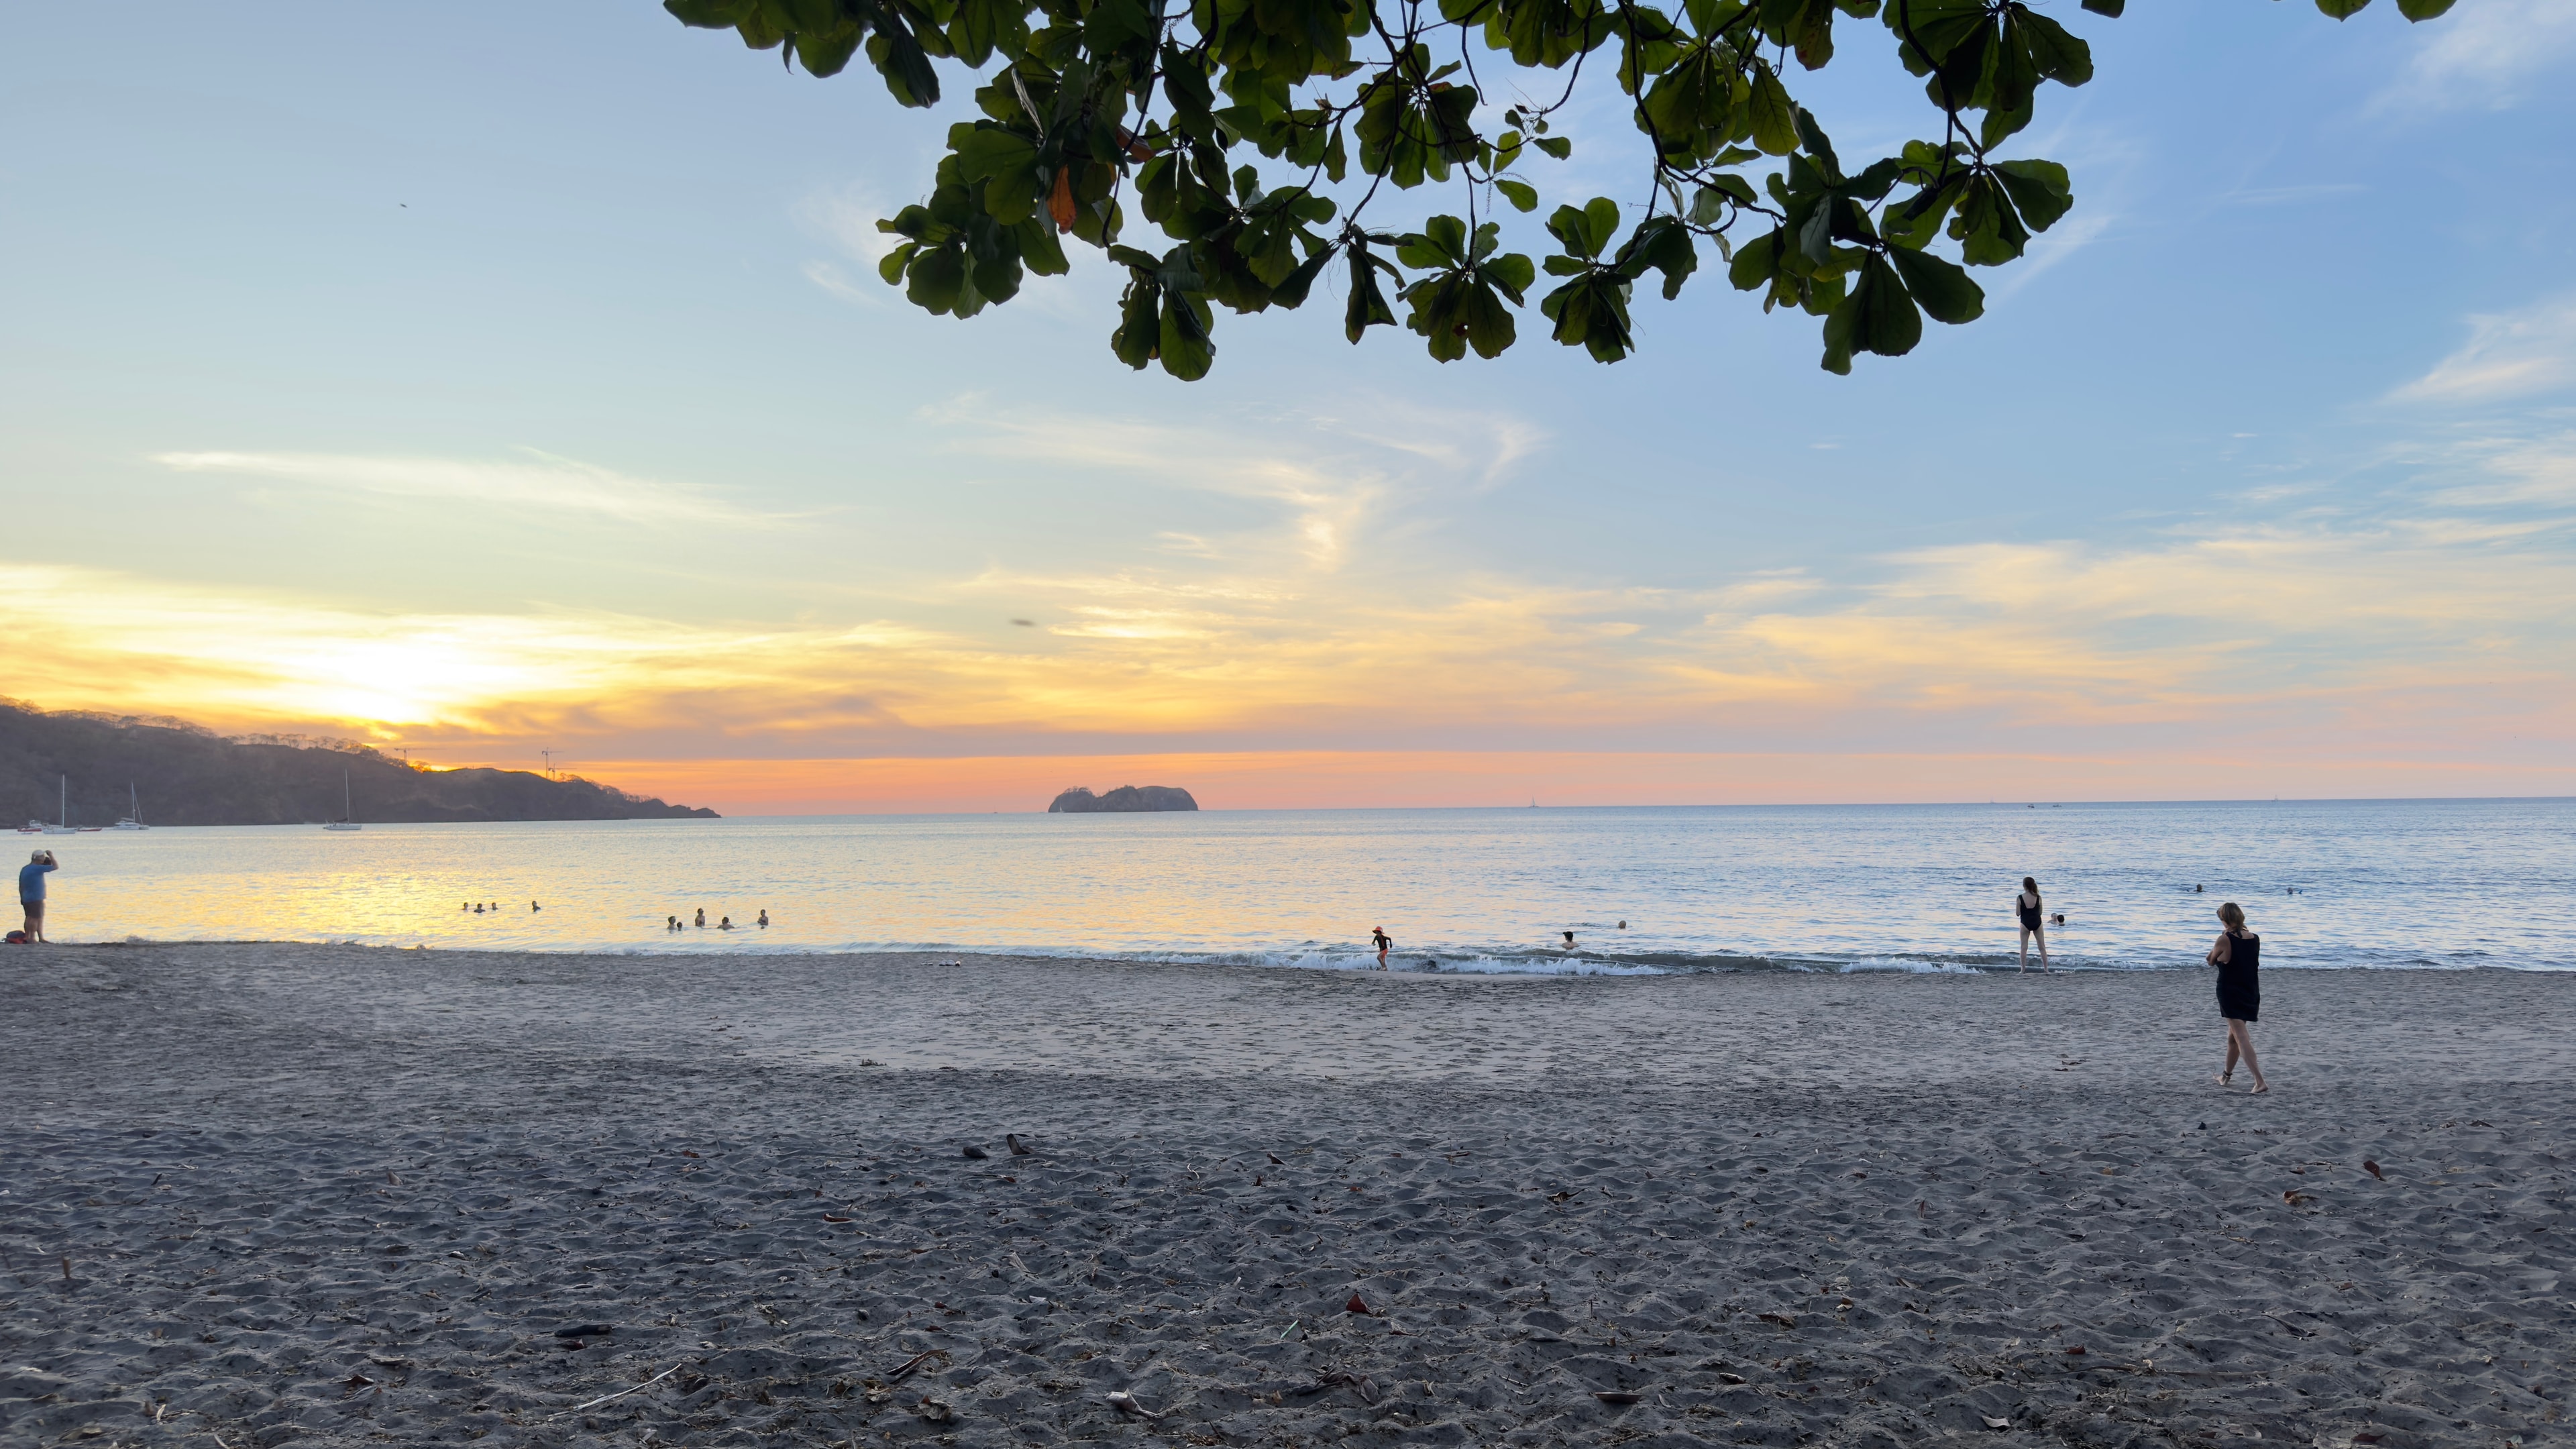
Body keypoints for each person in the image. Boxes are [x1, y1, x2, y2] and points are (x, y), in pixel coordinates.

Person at [2208, 902, 2267, 1093]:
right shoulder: (2255, 938)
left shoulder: (2224, 939)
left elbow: (2210, 960)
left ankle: (2259, 1081)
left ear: (2225, 920)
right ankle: (2225, 1077)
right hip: (2250, 990)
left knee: (2241, 1037)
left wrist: (2219, 951)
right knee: (2233, 1037)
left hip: (2230, 991)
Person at [20, 849, 58, 944]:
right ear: (38, 859)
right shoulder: (37, 868)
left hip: (27, 897)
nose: (44, 860)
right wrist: (51, 855)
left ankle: (34, 937)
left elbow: (21, 885)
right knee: (34, 918)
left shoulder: (25, 868)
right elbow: (55, 867)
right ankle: (32, 938)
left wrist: (21, 896)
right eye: (43, 858)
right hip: (35, 897)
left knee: (32, 917)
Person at [2015, 876, 2051, 973]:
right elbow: (2040, 912)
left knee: (2024, 948)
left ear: (2024, 886)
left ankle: (2022, 970)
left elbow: (2018, 913)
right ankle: (2046, 970)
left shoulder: (2020, 898)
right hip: (2037, 923)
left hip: (2025, 923)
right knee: (2042, 948)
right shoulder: (2039, 897)